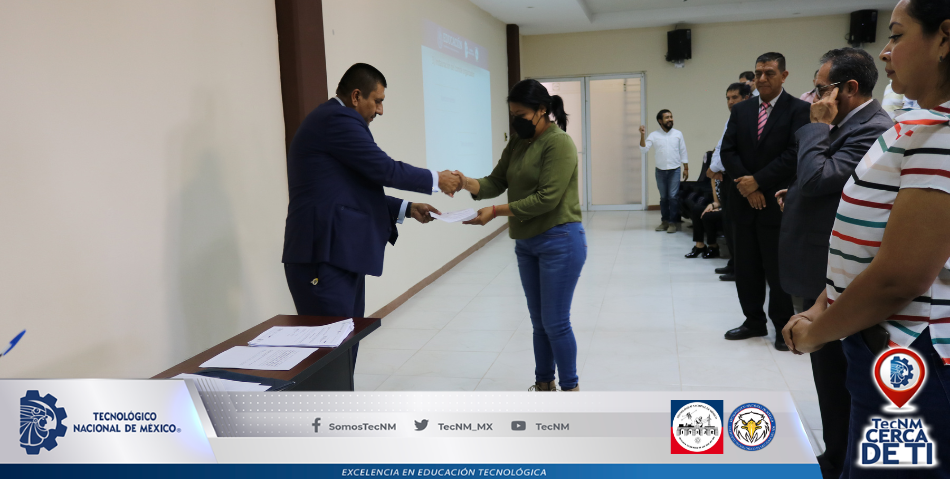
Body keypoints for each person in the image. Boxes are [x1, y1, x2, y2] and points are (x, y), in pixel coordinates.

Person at [784, 2, 950, 476]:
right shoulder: (917, 125)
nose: (885, 50)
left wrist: (816, 333)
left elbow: (900, 277)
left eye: (896, 35)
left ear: (943, 38)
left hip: (909, 351)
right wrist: (824, 303)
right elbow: (864, 243)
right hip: (876, 339)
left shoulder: (941, 137)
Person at [281, 63, 460, 377]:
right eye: (377, 101)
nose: (380, 110)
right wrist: (436, 179)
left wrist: (406, 208)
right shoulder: (337, 119)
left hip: (338, 256)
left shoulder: (335, 122)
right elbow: (384, 169)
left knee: (344, 352)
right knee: (330, 360)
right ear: (355, 96)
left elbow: (352, 190)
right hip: (321, 257)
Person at [775, 47, 892, 479]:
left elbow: (819, 177)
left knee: (840, 375)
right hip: (822, 265)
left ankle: (841, 459)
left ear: (850, 88)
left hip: (839, 275)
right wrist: (796, 192)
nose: (814, 97)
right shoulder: (848, 124)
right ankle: (836, 451)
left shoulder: (873, 129)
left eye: (821, 88)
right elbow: (825, 183)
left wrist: (817, 127)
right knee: (827, 374)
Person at [454, 79, 585, 392]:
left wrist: (495, 211)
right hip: (526, 243)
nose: (516, 122)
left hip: (560, 240)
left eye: (522, 115)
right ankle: (543, 385)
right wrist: (464, 182)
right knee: (539, 323)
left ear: (541, 110)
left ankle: (571, 390)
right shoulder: (517, 143)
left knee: (556, 322)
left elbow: (546, 199)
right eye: (513, 115)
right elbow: (496, 181)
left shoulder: (559, 143)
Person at [720, 52, 810, 351]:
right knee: (746, 268)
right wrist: (747, 186)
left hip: (776, 203)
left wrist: (757, 181)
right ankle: (753, 321)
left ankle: (782, 327)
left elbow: (794, 153)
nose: (761, 78)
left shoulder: (799, 110)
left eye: (769, 73)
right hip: (743, 202)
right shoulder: (741, 110)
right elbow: (728, 151)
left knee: (777, 270)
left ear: (784, 75)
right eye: (758, 73)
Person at [708, 82, 753, 281]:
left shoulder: (748, 119)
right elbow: (720, 147)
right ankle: (734, 262)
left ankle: (740, 269)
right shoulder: (732, 119)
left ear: (746, 98)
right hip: (726, 177)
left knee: (737, 227)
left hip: (738, 177)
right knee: (728, 223)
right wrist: (713, 168)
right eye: (728, 98)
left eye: (735, 97)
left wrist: (714, 168)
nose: (730, 102)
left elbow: (732, 151)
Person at [640, 110, 689, 233]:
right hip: (660, 171)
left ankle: (673, 222)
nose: (670, 119)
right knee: (664, 198)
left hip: (675, 170)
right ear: (660, 121)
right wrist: (642, 135)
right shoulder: (654, 135)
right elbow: (644, 149)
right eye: (667, 117)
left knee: (673, 197)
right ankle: (665, 221)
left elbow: (683, 151)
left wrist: (686, 168)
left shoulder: (678, 134)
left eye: (671, 117)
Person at [685, 154, 723, 259]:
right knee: (697, 209)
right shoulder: (713, 178)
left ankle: (713, 246)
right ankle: (699, 245)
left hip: (730, 209)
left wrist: (718, 209)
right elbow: (717, 201)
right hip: (722, 207)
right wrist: (712, 205)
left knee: (707, 215)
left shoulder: (728, 177)